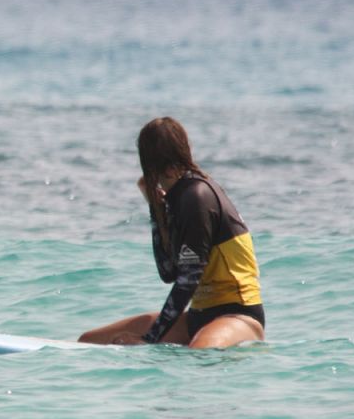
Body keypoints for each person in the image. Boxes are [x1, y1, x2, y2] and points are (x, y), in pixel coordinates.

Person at [78, 117, 265, 349]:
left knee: (199, 351)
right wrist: (155, 209)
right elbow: (168, 272)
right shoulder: (178, 198)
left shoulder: (197, 197)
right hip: (197, 318)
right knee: (90, 341)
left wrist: (149, 339)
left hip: (238, 316)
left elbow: (188, 280)